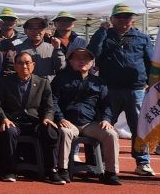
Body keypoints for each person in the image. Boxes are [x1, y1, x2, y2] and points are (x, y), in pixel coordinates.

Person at [88, 3, 155, 178]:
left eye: (126, 16)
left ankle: (143, 162)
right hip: (110, 89)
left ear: (132, 19)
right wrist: (102, 30)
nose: (123, 19)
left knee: (139, 127)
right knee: (105, 125)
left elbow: (151, 63)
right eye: (119, 16)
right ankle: (101, 161)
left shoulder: (142, 38)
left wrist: (148, 82)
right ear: (112, 19)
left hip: (136, 90)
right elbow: (93, 52)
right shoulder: (105, 36)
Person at [52, 46, 122, 186]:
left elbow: (106, 104)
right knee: (64, 132)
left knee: (111, 134)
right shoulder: (60, 80)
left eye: (86, 58)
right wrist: (60, 118)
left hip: (90, 124)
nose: (82, 61)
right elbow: (53, 101)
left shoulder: (99, 82)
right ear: (70, 61)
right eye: (77, 58)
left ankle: (111, 173)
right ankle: (62, 170)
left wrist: (106, 120)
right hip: (69, 122)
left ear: (92, 62)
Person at [0, 51, 63, 184]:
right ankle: (10, 170)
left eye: (27, 63)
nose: (24, 66)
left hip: (35, 121)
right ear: (14, 65)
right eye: (20, 63)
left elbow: (49, 106)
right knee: (8, 131)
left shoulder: (43, 82)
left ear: (33, 65)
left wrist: (47, 118)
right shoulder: (4, 82)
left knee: (51, 131)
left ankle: (51, 170)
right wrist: (4, 119)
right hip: (14, 120)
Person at [13, 16, 65, 81]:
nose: (36, 31)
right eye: (32, 28)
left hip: (48, 87)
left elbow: (60, 67)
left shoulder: (51, 48)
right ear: (25, 31)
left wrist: (57, 49)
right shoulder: (17, 49)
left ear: (44, 30)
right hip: (25, 87)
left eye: (40, 28)